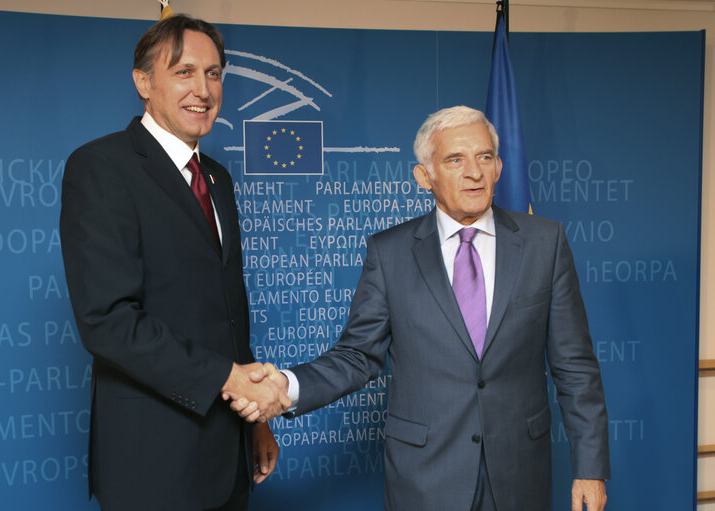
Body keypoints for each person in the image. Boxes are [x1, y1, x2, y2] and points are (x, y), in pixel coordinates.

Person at [233, 106, 610, 511]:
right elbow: (357, 356)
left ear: (499, 167)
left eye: (484, 157)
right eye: (455, 160)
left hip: (520, 475)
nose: (474, 172)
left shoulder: (544, 243)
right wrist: (285, 388)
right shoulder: (389, 253)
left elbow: (576, 367)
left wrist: (589, 469)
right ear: (424, 176)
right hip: (426, 480)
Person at [60, 14, 288, 511]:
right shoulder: (102, 167)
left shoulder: (219, 179)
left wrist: (256, 420)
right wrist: (226, 379)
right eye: (183, 72)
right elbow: (108, 321)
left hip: (228, 454)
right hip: (154, 461)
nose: (202, 90)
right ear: (144, 81)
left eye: (213, 73)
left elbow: (230, 312)